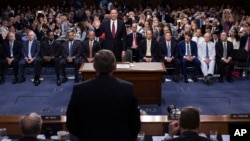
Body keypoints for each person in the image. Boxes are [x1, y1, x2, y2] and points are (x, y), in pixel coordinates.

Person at [66, 49, 141, 141]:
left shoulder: (79, 89)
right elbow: (135, 123)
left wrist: (85, 135)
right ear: (115, 67)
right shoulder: (127, 89)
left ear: (94, 66)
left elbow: (71, 123)